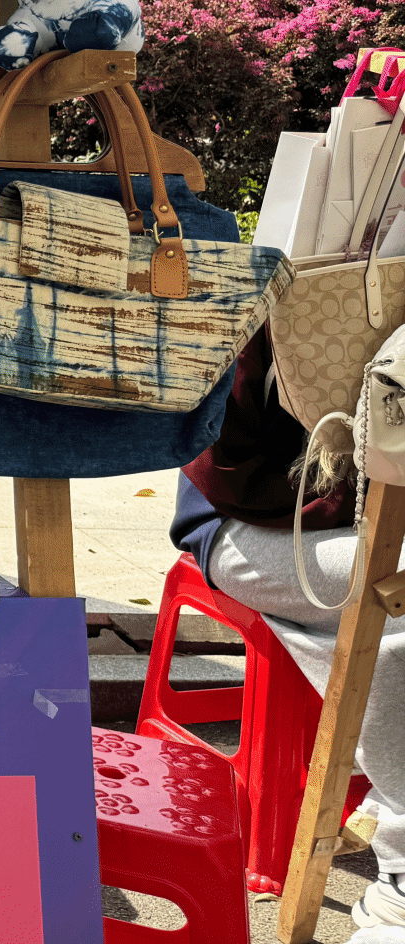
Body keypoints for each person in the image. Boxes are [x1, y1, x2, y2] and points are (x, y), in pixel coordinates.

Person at [172, 327, 403, 931]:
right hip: (244, 525)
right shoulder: (271, 307)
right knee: (397, 592)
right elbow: (226, 469)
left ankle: (391, 816)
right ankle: (400, 876)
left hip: (371, 520)